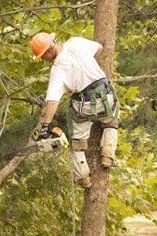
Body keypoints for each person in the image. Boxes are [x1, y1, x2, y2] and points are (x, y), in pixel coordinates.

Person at [30, 32, 119, 188]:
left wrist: (44, 127)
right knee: (111, 121)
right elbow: (98, 48)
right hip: (105, 94)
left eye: (43, 57)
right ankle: (108, 155)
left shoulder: (58, 69)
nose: (44, 60)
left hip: (84, 104)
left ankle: (83, 177)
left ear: (48, 51)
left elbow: (52, 102)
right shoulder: (77, 42)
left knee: (77, 142)